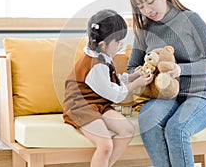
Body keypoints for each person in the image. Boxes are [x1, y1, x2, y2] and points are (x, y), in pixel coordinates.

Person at [127, 0, 206, 167]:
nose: (147, 10)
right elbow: (131, 68)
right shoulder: (144, 30)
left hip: (200, 94)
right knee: (148, 120)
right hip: (165, 97)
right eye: (140, 6)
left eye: (150, 1)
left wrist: (180, 69)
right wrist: (141, 73)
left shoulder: (190, 19)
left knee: (177, 129)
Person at [62, 9, 153, 167]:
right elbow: (115, 94)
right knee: (105, 145)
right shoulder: (94, 65)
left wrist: (132, 77)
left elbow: (111, 81)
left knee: (127, 130)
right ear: (103, 44)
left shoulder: (101, 54)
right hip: (80, 106)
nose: (121, 45)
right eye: (118, 42)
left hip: (98, 103)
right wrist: (136, 84)